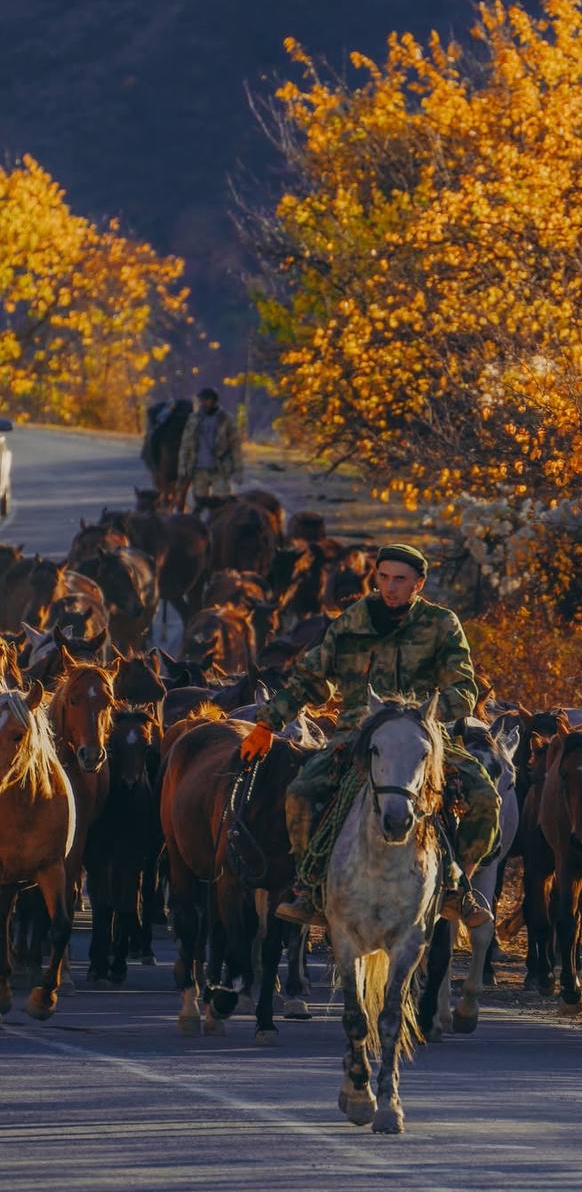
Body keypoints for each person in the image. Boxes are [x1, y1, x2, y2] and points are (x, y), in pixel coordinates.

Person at [240, 544, 499, 929]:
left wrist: (421, 717)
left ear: (418, 584)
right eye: (383, 578)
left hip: (423, 738)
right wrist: (266, 724)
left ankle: (456, 886)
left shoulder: (442, 624)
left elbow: (463, 689)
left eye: (401, 580)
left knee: (485, 798)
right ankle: (309, 885)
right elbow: (310, 679)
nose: (390, 587)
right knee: (300, 792)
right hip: (357, 735)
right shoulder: (352, 621)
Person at [177, 388, 243, 507]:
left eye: (206, 400)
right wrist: (182, 466)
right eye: (201, 400)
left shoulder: (225, 419)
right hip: (198, 469)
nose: (203, 403)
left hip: (220, 469)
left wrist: (238, 470)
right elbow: (185, 444)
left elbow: (235, 445)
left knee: (223, 504)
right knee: (200, 503)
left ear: (213, 401)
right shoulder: (193, 419)